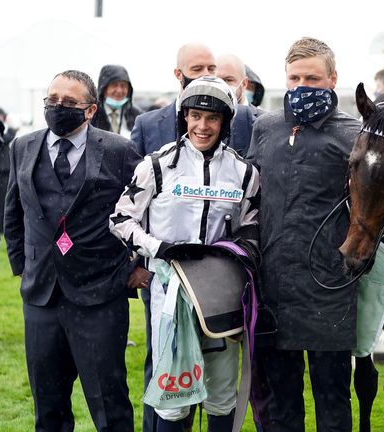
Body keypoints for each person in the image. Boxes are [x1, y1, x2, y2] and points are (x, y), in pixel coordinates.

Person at [110, 75, 260, 432]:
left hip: (221, 300)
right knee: (174, 402)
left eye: (212, 119)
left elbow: (251, 229)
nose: (202, 126)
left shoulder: (244, 173)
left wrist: (241, 260)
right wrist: (156, 248)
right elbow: (120, 219)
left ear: (225, 122)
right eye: (194, 116)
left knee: (222, 397)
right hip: (169, 300)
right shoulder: (156, 166)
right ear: (183, 118)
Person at [3, 69, 142, 431]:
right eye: (52, 100)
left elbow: (146, 209)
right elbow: (12, 211)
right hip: (41, 296)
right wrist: (24, 265)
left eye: (68, 102)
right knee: (48, 408)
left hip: (100, 295)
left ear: (91, 110)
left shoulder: (118, 150)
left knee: (110, 406)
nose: (58, 107)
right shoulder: (23, 146)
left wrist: (138, 264)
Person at [247, 36, 361, 432]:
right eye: (294, 77)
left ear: (332, 79)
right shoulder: (265, 128)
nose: (302, 86)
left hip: (330, 285)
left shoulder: (353, 133)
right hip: (273, 284)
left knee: (332, 398)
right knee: (281, 405)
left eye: (312, 78)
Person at [216, 53, 262, 155]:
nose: (222, 86)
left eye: (228, 80)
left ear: (244, 83)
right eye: (217, 80)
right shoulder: (203, 121)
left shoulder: (265, 121)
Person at [91, 64, 143, 139]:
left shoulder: (136, 115)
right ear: (104, 88)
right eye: (114, 85)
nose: (119, 90)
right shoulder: (92, 114)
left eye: (123, 85)